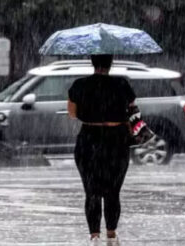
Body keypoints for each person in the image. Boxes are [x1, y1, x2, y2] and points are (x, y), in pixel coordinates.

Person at [67, 55, 134, 245]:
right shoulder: (121, 84)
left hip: (89, 139)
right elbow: (132, 111)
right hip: (116, 140)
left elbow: (72, 114)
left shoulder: (80, 85)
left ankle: (94, 236)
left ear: (92, 62)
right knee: (113, 191)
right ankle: (111, 235)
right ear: (111, 63)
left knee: (92, 191)